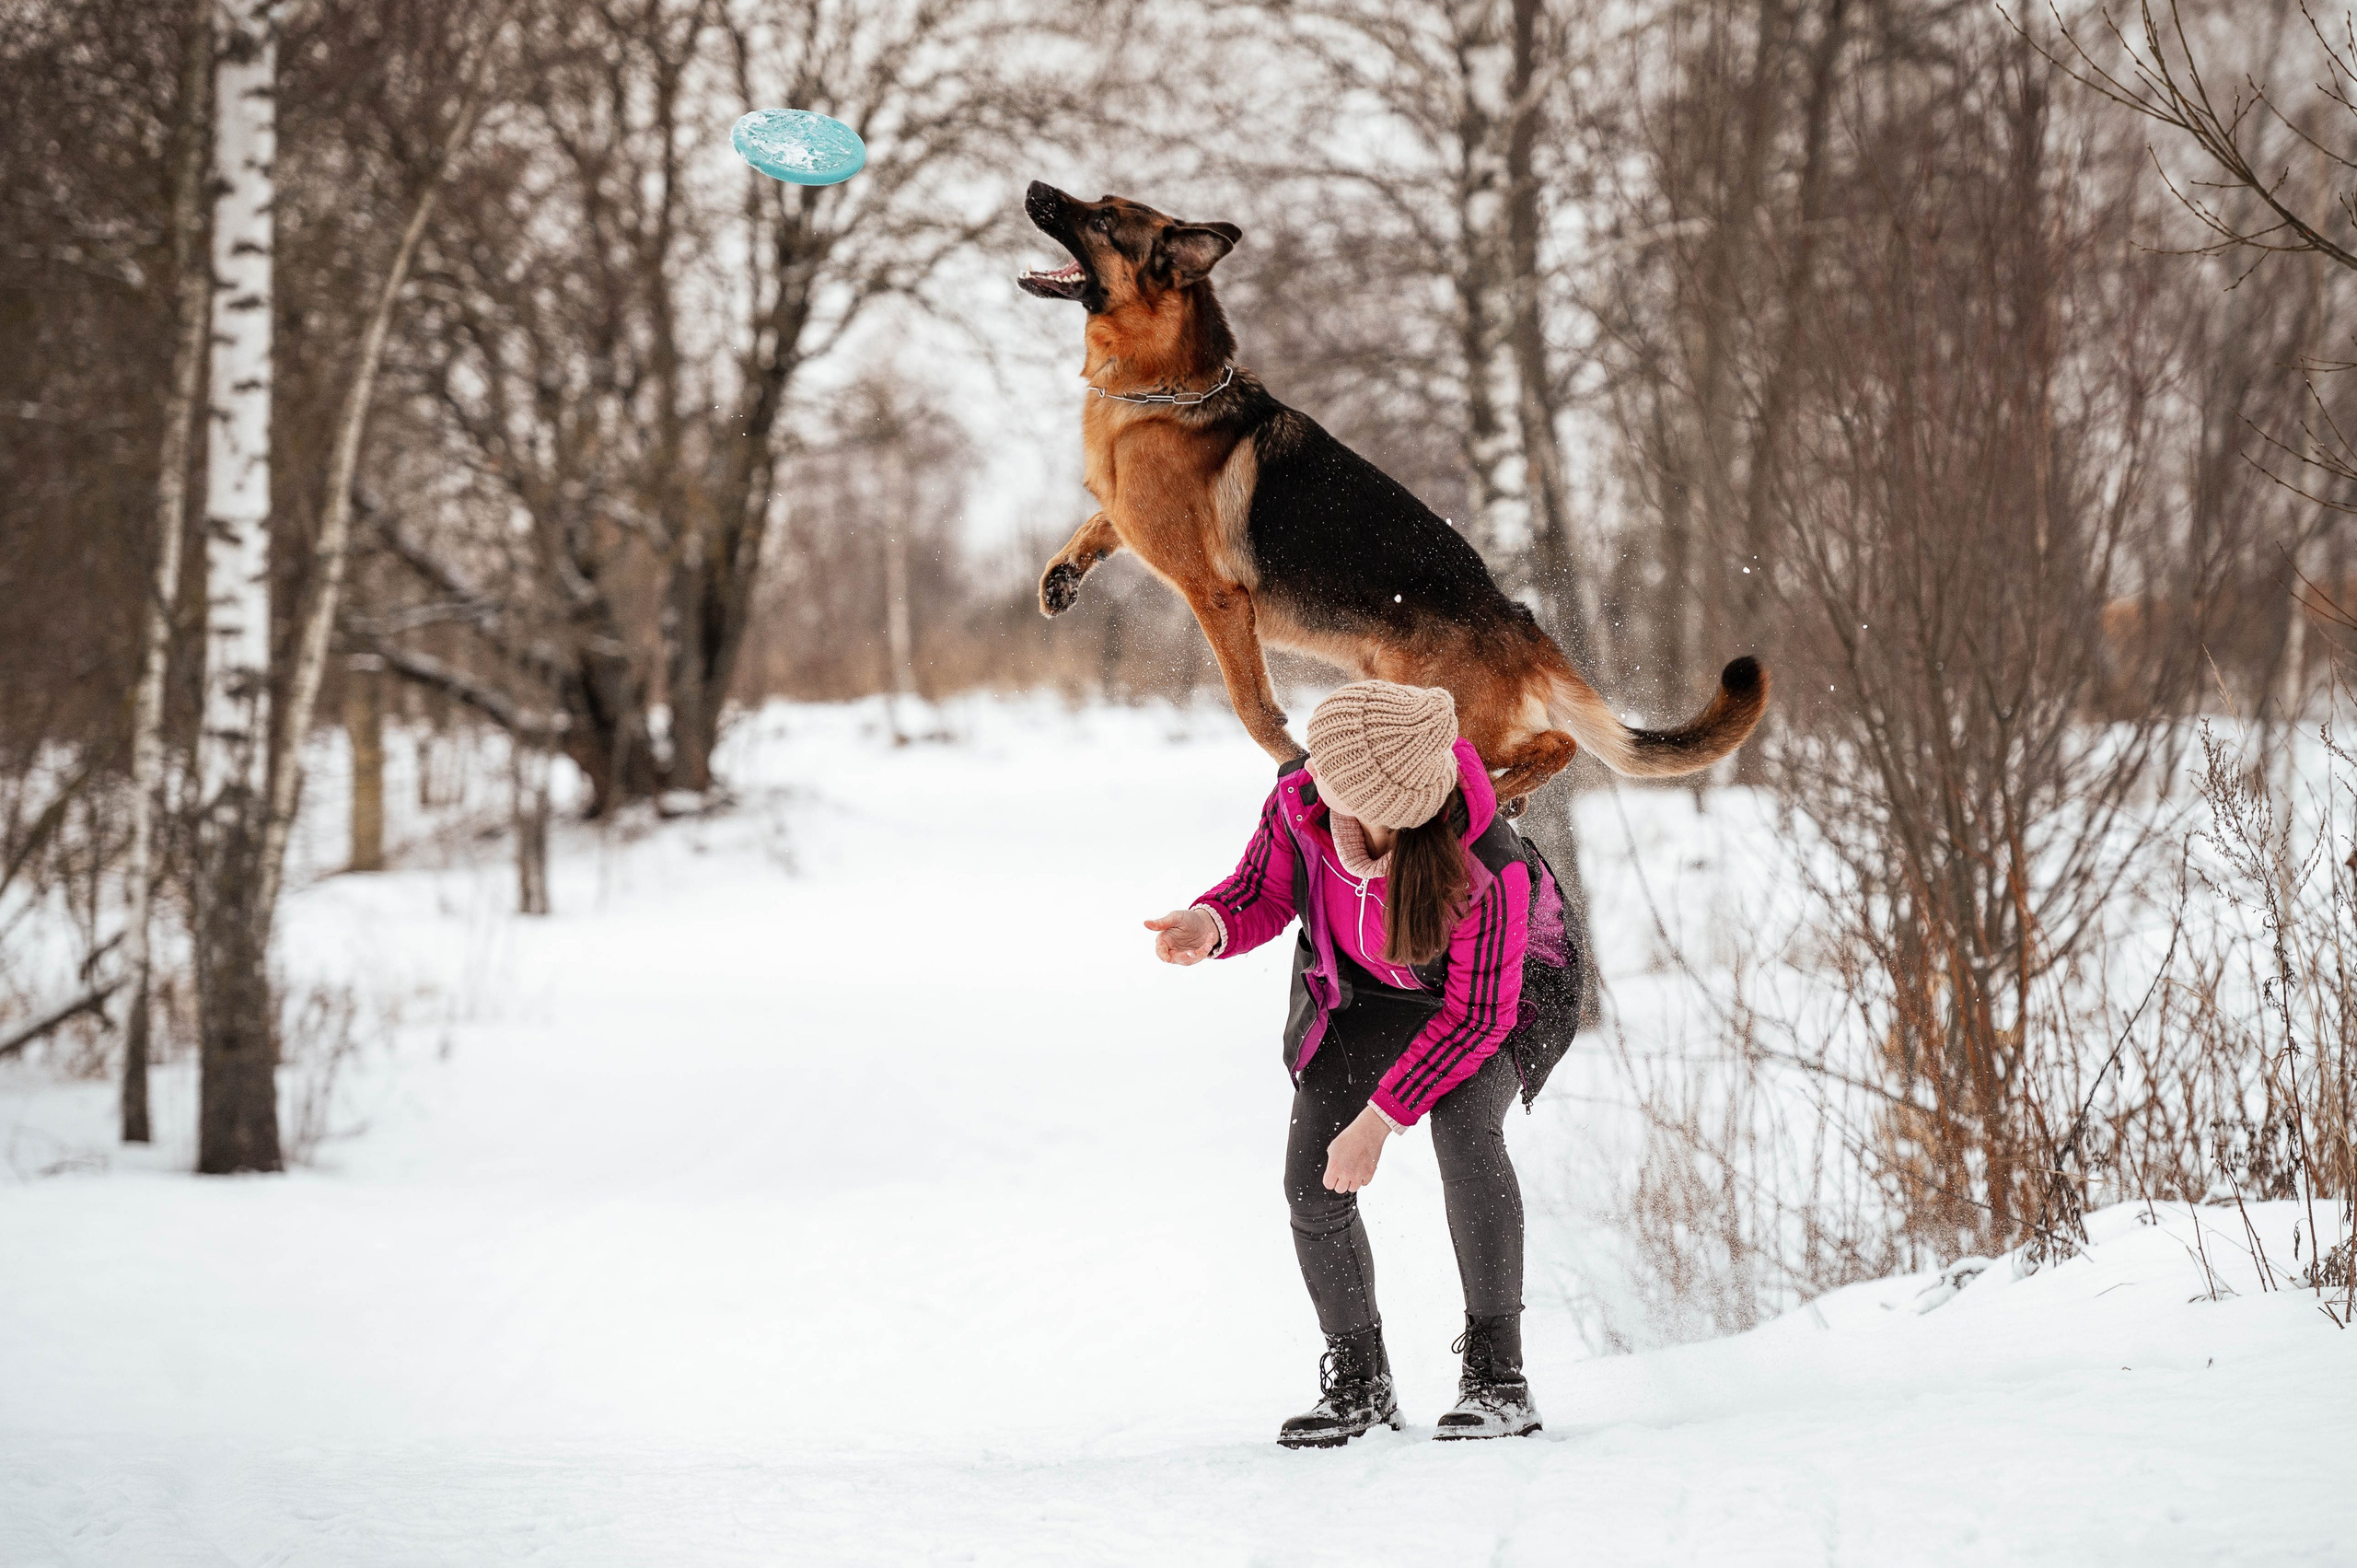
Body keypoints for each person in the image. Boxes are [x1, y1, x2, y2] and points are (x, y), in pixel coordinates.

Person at [1145, 680, 1574, 1448]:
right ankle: (1361, 1382)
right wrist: (1209, 923)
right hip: (1365, 992)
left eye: (1338, 784)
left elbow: (1477, 1017)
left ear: (1395, 805)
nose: (1315, 788)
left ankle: (1499, 1380)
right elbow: (1261, 889)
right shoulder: (1306, 797)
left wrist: (1379, 1120)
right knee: (1310, 1180)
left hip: (1500, 1001)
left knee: (1465, 1132)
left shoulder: (1487, 864)